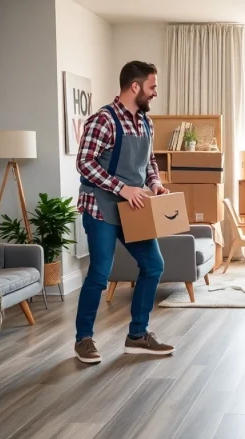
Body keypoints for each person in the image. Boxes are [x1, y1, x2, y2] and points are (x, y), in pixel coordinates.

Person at [73, 60, 175, 364]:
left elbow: (149, 163)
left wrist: (154, 184)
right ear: (135, 87)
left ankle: (137, 335)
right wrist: (122, 188)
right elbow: (84, 163)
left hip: (135, 209)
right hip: (101, 208)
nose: (155, 93)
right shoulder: (103, 120)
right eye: (152, 86)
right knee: (100, 273)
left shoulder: (146, 122)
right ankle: (84, 340)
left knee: (154, 265)